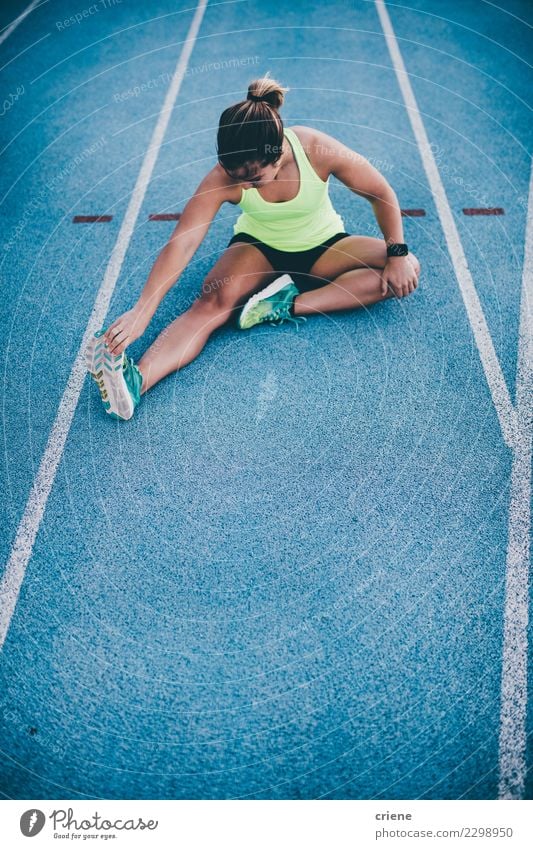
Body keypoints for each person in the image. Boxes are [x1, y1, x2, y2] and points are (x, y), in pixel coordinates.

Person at [86, 73, 420, 420]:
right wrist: (143, 309)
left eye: (252, 177)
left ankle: (283, 304)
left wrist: (396, 252)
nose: (242, 183)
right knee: (211, 302)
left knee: (406, 267)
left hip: (324, 248)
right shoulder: (226, 175)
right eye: (235, 175)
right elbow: (182, 243)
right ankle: (136, 381)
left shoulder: (315, 149)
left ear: (277, 157)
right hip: (257, 249)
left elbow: (379, 192)